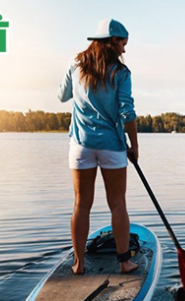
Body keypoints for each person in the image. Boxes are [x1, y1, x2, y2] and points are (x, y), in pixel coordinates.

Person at [58, 19, 139, 274]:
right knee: (118, 204)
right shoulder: (121, 73)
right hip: (112, 145)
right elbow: (127, 112)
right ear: (111, 41)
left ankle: (79, 264)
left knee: (81, 203)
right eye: (122, 44)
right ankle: (124, 262)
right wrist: (134, 145)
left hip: (81, 145)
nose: (124, 51)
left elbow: (62, 95)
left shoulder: (76, 63)